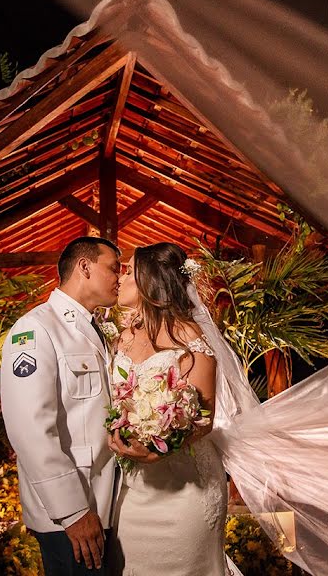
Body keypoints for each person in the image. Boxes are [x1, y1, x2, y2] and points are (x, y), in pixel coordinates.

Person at [0, 236, 123, 575]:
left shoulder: (98, 329)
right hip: (71, 513)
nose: (120, 277)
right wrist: (73, 512)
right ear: (84, 267)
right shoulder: (35, 329)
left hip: (105, 502)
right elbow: (30, 429)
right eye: (114, 268)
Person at [106, 242, 228, 576]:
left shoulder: (190, 336)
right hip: (133, 491)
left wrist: (160, 450)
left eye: (128, 270)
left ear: (149, 280)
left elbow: (204, 418)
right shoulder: (120, 339)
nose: (120, 277)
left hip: (186, 488)